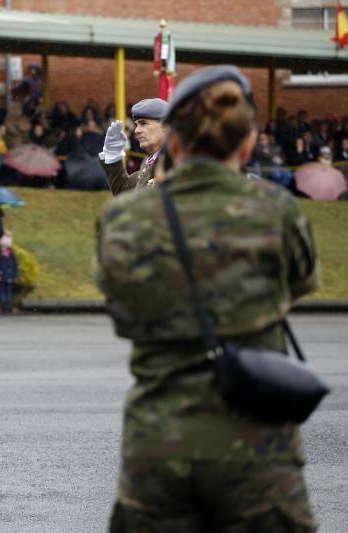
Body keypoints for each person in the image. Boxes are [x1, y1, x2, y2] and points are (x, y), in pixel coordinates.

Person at [95, 65, 319, 531]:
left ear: (177, 137)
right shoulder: (276, 210)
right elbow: (298, 286)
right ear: (248, 143)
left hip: (160, 441)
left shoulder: (126, 219)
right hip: (258, 440)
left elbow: (122, 311)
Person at [99, 98, 169, 195]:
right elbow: (123, 193)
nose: (136, 130)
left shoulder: (177, 162)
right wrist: (113, 156)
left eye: (143, 123)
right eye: (136, 125)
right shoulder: (148, 163)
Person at [0, 231, 18, 314]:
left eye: (4, 246)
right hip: (2, 276)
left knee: (8, 291)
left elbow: (14, 267)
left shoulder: (11, 255)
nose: (2, 247)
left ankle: (8, 305)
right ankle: (4, 305)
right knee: (3, 291)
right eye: (1, 246)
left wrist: (14, 276)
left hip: (9, 276)